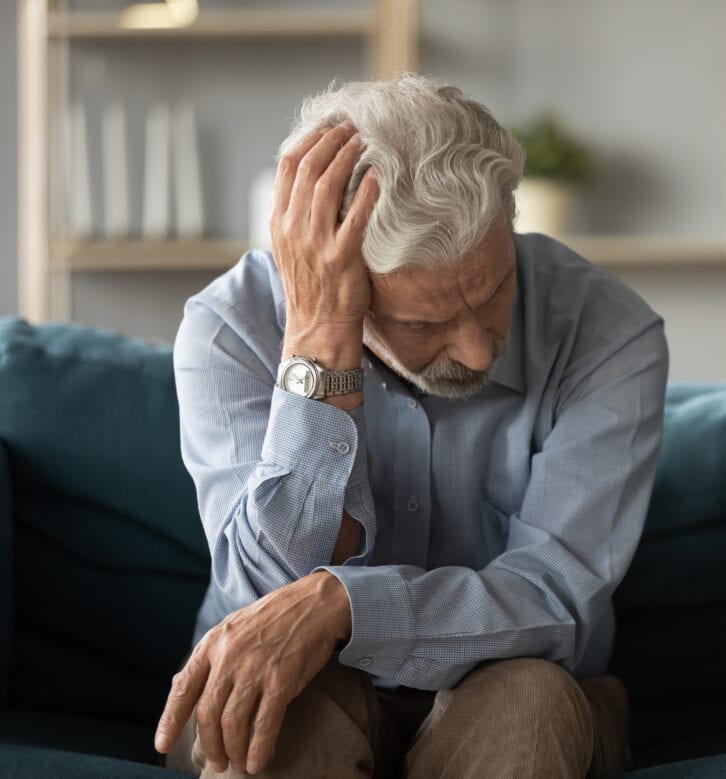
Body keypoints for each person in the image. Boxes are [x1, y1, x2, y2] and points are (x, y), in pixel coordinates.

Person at [152, 74, 668, 778]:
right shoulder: (229, 329)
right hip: (299, 684)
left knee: (529, 707)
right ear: (339, 278)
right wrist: (317, 348)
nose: (480, 350)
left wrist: (348, 604)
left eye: (493, 292)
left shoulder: (609, 332)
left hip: (522, 680)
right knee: (277, 725)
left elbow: (554, 600)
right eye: (425, 323)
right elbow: (261, 602)